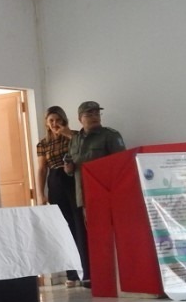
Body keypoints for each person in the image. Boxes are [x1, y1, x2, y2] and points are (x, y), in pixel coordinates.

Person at [64, 100, 126, 287]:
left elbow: (121, 164)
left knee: (109, 237)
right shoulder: (75, 139)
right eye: (89, 114)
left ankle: (116, 276)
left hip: (105, 195)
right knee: (92, 239)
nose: (94, 117)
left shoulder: (110, 136)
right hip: (83, 197)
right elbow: (72, 170)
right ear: (80, 118)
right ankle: (98, 276)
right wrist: (68, 168)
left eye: (97, 113)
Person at [35, 105, 81, 286]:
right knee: (65, 227)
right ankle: (72, 274)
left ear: (63, 120)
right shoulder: (43, 144)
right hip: (55, 182)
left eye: (58, 119)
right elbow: (41, 169)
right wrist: (40, 194)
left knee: (79, 224)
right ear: (46, 123)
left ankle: (87, 270)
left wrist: (68, 134)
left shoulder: (74, 136)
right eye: (51, 120)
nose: (54, 123)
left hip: (74, 179)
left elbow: (82, 150)